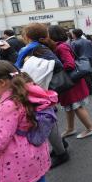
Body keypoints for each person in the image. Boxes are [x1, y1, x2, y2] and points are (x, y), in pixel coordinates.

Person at [0, 61, 52, 182]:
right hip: (34, 156)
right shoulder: (27, 91)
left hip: (15, 165)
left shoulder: (8, 106)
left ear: (2, 82)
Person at [15, 23, 69, 168]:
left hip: (40, 91)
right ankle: (60, 145)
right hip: (41, 90)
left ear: (26, 36)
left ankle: (61, 153)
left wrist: (39, 71)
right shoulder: (38, 47)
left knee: (46, 120)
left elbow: (57, 65)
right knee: (49, 119)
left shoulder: (35, 48)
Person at [48, 25, 92, 139]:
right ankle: (70, 128)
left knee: (77, 106)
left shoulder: (61, 47)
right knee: (69, 106)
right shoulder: (62, 45)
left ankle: (90, 128)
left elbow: (69, 64)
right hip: (70, 81)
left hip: (70, 82)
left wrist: (56, 71)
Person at [71, 29, 92, 95]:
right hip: (90, 59)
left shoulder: (74, 43)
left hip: (82, 61)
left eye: (72, 34)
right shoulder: (88, 41)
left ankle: (89, 90)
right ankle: (91, 88)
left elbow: (73, 53)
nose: (72, 35)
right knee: (89, 74)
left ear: (74, 35)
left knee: (84, 76)